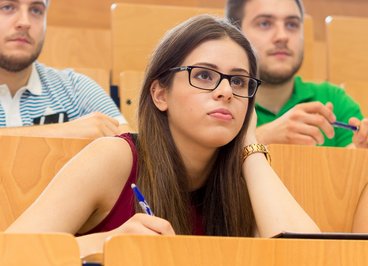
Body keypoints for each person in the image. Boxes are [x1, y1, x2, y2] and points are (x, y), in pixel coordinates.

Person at [6, 14, 320, 257]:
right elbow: (11, 253)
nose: (226, 91)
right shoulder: (115, 157)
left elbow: (313, 258)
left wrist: (250, 148)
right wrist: (108, 242)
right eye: (204, 76)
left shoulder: (247, 180)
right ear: (160, 94)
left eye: (239, 82)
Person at [226, 0, 368, 148]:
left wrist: (361, 153)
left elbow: (352, 162)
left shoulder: (334, 99)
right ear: (236, 34)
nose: (282, 36)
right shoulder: (221, 98)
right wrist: (262, 137)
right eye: (265, 23)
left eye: (291, 24)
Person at [0, 0, 131, 138]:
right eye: (7, 7)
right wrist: (60, 132)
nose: (25, 22)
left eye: (36, 10)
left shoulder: (76, 87)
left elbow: (133, 145)